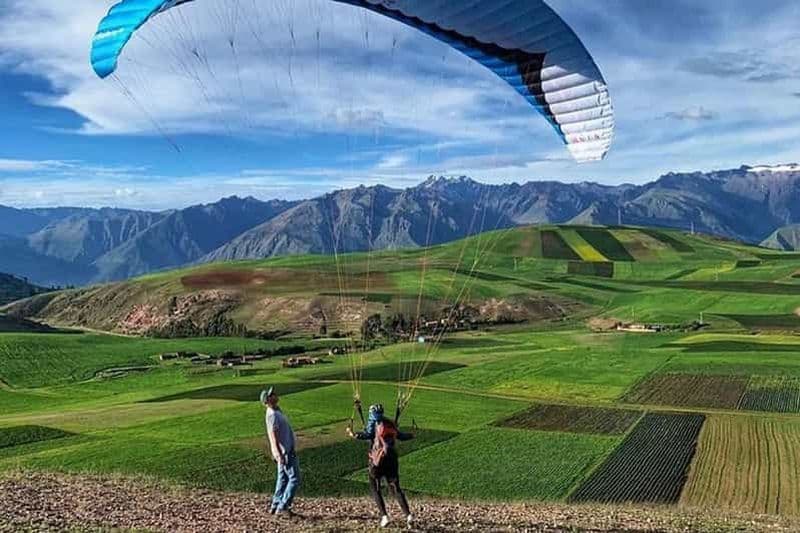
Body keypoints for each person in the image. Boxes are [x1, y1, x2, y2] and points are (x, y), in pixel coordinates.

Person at [347, 403, 414, 528]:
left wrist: (353, 434)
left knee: (375, 487)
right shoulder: (390, 423)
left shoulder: (373, 423)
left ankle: (384, 516)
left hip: (378, 461)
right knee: (396, 488)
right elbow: (401, 436)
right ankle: (408, 515)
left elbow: (368, 434)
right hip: (392, 459)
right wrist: (412, 434)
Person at [261, 386, 299, 517]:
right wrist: (279, 453)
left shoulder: (275, 411)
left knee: (282, 479)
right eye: (272, 395)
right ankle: (283, 506)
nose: (276, 395)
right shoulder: (272, 415)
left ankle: (276, 505)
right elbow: (273, 435)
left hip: (283, 451)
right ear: (268, 400)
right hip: (285, 452)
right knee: (294, 478)